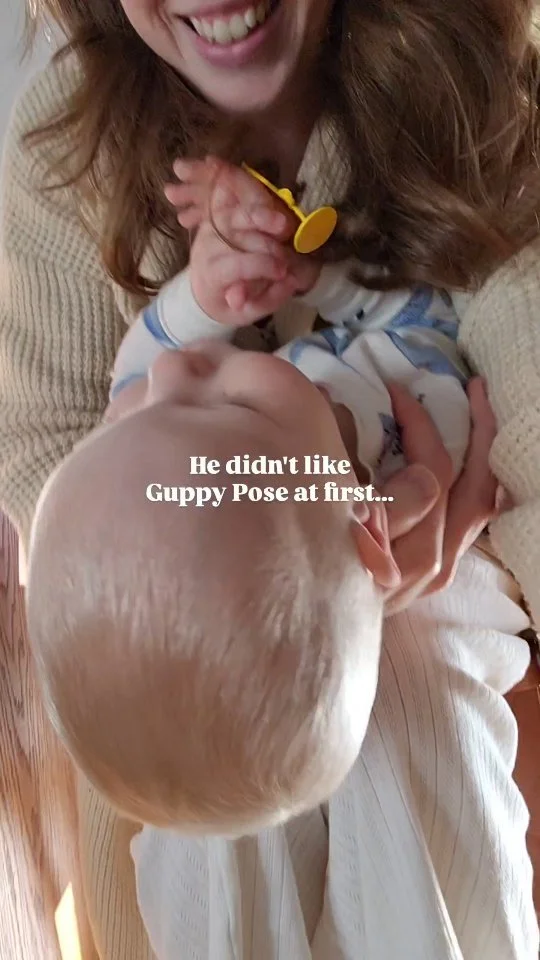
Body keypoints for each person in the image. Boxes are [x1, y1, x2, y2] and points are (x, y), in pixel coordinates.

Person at [0, 0, 538, 955]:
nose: (177, 368)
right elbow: (58, 448)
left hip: (411, 567)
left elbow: (502, 380)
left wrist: (436, 508)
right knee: (200, 720)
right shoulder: (68, 145)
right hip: (189, 574)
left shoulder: (483, 76)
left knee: (409, 688)